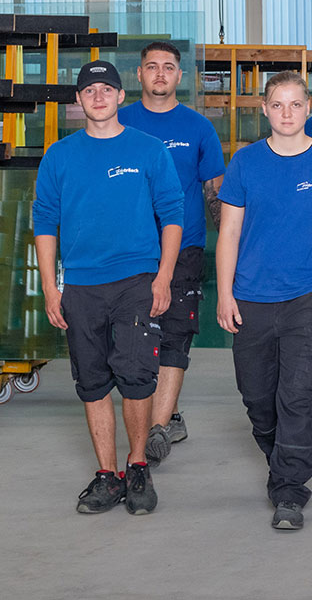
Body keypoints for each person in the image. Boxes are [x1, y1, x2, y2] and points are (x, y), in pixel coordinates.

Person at [216, 71, 312, 531]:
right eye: (278, 105)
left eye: (296, 104)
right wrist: (224, 293)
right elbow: (229, 233)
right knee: (259, 400)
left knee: (298, 395)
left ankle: (289, 490)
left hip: (311, 297)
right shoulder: (245, 163)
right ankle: (279, 460)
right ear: (265, 109)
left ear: (309, 108)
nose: (287, 113)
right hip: (252, 297)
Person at [33, 60, 183, 516]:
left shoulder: (149, 150)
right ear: (78, 100)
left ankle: (137, 467)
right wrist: (50, 288)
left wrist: (163, 276)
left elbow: (172, 214)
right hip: (81, 284)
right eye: (89, 90)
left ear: (121, 95)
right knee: (92, 380)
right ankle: (107, 475)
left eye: (106, 89)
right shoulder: (59, 156)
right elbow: (45, 222)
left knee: (136, 377)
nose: (98, 96)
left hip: (136, 280)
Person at [119, 41, 225, 466]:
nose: (160, 73)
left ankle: (157, 431)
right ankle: (160, 417)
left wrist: (231, 247)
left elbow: (214, 191)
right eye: (152, 66)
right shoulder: (120, 122)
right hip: (131, 250)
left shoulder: (198, 128)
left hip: (185, 247)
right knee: (138, 337)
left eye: (168, 67)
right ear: (139, 75)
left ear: (180, 76)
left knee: (177, 332)